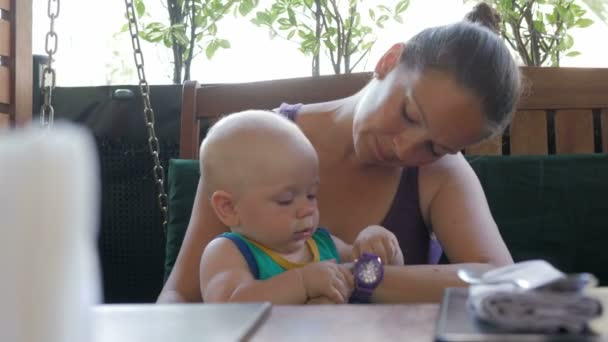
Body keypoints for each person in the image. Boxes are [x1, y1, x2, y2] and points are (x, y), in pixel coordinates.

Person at [158, 3, 519, 304]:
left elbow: (502, 281)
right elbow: (180, 295)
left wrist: (355, 276)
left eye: (435, 147)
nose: (404, 148)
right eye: (408, 114)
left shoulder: (439, 172)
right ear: (389, 60)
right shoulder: (252, 145)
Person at [198, 110, 404, 304]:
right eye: (286, 200)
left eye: (311, 195)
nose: (307, 209)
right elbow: (227, 307)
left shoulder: (322, 244)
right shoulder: (229, 252)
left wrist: (381, 247)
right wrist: (302, 283)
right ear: (229, 208)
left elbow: (370, 271)